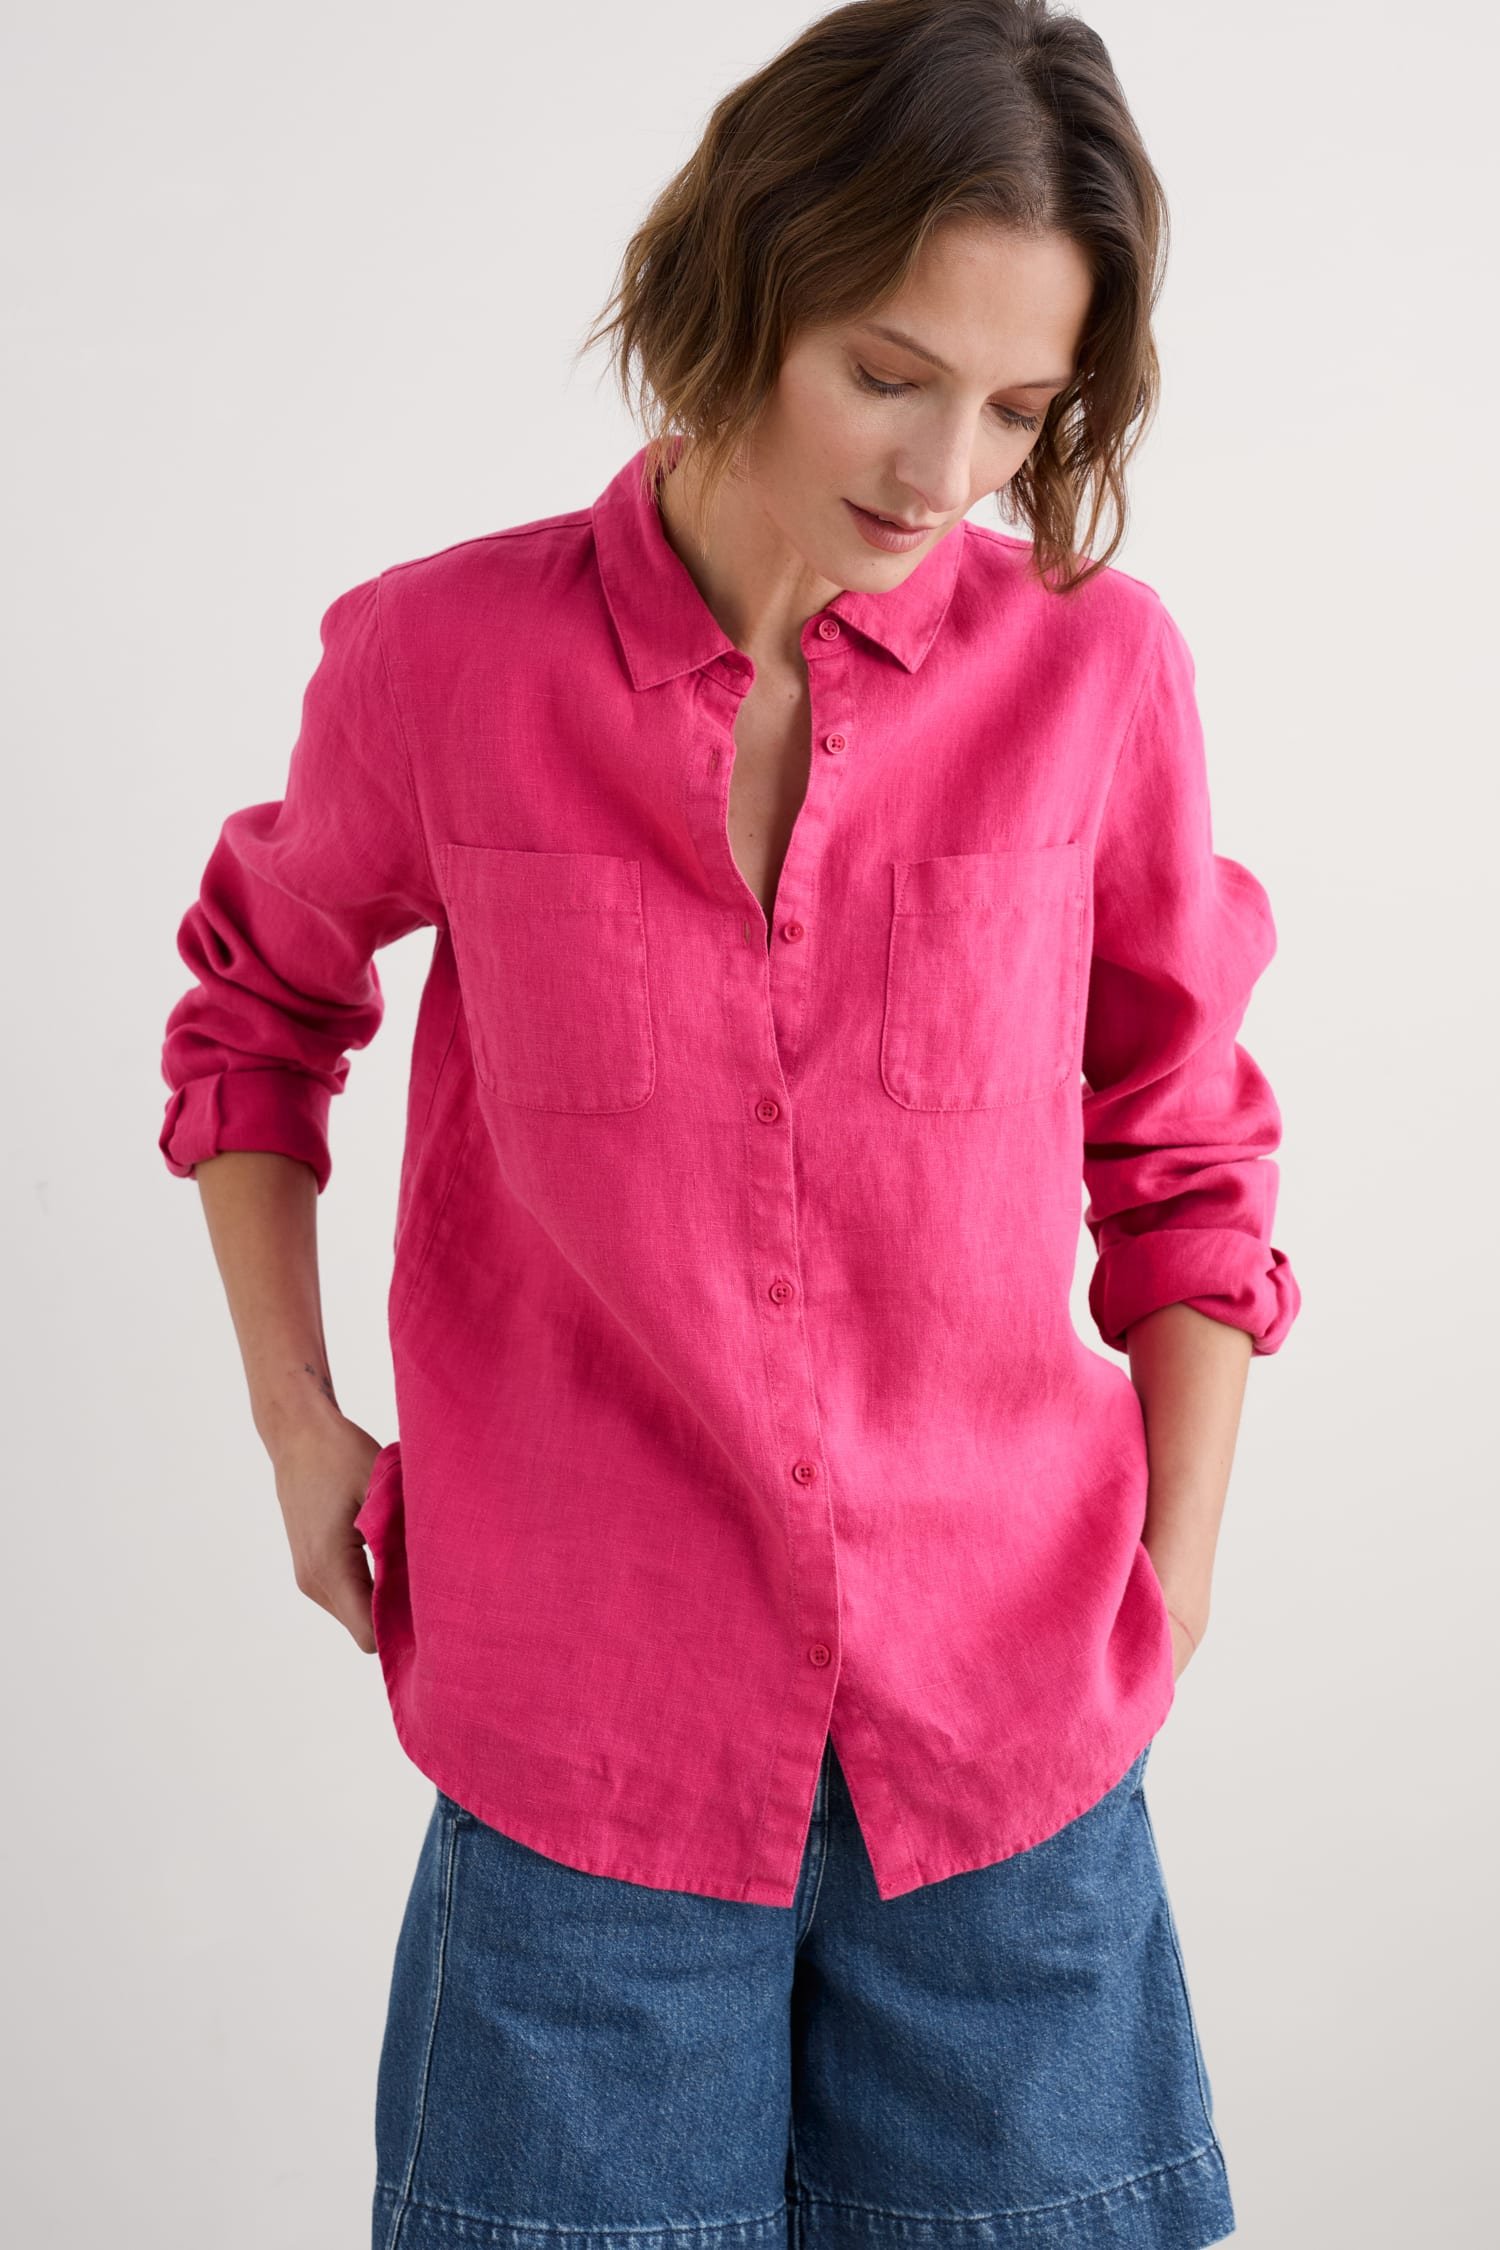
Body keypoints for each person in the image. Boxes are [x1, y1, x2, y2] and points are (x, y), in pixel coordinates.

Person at [156, 3, 1300, 2244]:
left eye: (1020, 408)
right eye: (891, 371)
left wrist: (1173, 1577)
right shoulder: (442, 667)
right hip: (585, 1775)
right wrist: (299, 1426)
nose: (948, 468)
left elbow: (1183, 1137)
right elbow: (256, 1013)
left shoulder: (1098, 675)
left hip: (1011, 1774)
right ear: (746, 284)